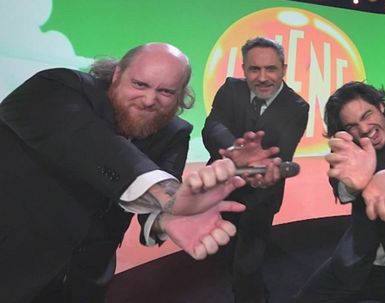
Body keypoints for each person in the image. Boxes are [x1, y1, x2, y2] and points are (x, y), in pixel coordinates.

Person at [0, 43, 250, 303]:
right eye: (140, 85)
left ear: (180, 95)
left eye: (165, 91)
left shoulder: (175, 132)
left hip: (84, 283)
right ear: (117, 74)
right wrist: (169, 197)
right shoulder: (53, 88)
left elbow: (160, 201)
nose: (149, 100)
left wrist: (168, 218)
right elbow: (91, 143)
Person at [295, 81, 385, 303]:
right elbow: (341, 188)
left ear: (381, 107)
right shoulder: (348, 148)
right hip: (361, 257)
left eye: (367, 115)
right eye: (352, 126)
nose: (365, 128)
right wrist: (355, 184)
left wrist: (371, 182)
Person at [202, 36, 309, 303]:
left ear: (283, 69)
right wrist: (235, 152)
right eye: (254, 69)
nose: (262, 77)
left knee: (247, 264)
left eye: (270, 69)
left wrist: (262, 171)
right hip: (221, 188)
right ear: (244, 69)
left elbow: (282, 155)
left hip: (261, 195)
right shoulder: (230, 88)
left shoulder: (297, 107)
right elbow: (213, 127)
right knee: (225, 252)